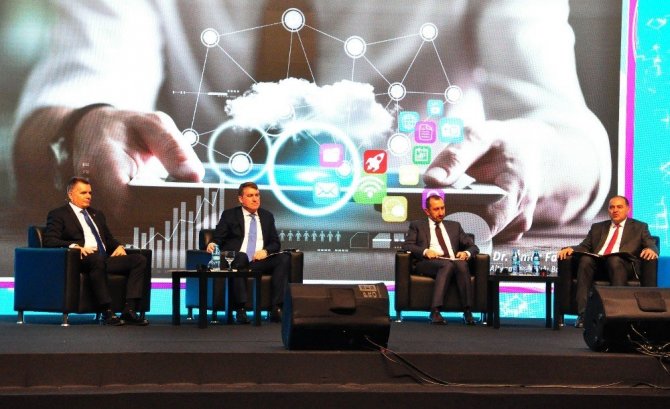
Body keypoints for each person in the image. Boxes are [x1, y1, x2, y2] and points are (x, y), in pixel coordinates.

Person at [11, 0, 610, 242]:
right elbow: (69, 101)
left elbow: (573, 138)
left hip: (414, 263)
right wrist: (84, 128)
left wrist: (529, 158)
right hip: (200, 262)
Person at [43, 176, 149, 326]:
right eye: (83, 193)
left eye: (90, 193)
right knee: (96, 259)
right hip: (80, 260)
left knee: (138, 260)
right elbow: (50, 241)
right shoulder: (59, 214)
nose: (88, 196)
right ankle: (106, 311)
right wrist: (74, 246)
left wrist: (118, 246)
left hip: (102, 259)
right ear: (70, 194)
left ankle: (129, 310)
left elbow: (108, 239)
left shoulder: (96, 214)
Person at [557, 195, 659, 328]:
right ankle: (584, 315)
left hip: (623, 265)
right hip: (599, 265)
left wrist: (652, 249)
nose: (615, 210)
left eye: (619, 207)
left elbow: (651, 243)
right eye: (612, 207)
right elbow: (585, 246)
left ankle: (618, 314)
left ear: (627, 209)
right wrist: (571, 249)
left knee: (614, 260)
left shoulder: (639, 227)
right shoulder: (597, 227)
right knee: (585, 260)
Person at [206, 181, 290, 324]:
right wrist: (212, 243)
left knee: (284, 258)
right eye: (250, 196)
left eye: (257, 195)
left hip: (259, 261)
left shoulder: (267, 216)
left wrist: (266, 251)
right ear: (241, 199)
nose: (255, 199)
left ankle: (276, 308)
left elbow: (275, 243)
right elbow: (218, 237)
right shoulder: (230, 215)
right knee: (242, 257)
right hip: (238, 259)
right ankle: (241, 309)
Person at [402, 194, 480, 325]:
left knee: (461, 265)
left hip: (451, 261)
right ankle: (435, 310)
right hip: (427, 262)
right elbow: (407, 245)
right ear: (427, 211)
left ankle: (467, 311)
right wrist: (425, 251)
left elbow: (473, 247)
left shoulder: (455, 226)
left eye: (442, 208)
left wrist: (466, 253)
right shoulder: (417, 225)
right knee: (447, 265)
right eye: (436, 209)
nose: (441, 212)